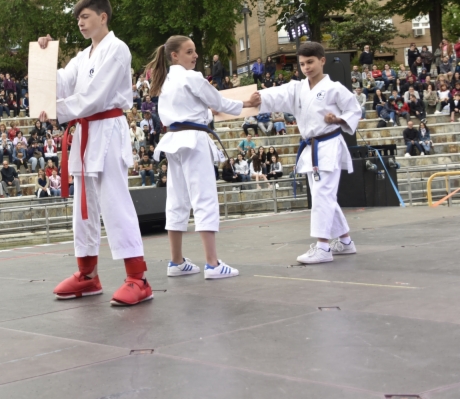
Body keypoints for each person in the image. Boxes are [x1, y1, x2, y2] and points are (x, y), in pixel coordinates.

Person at [36, 0, 151, 306]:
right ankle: (87, 274)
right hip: (85, 132)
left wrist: (56, 109)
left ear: (103, 17)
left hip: (108, 129)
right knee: (82, 206)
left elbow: (97, 96)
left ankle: (137, 277)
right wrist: (44, 58)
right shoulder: (82, 56)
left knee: (115, 203)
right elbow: (60, 82)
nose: (80, 22)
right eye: (78, 18)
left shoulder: (118, 49)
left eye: (85, 16)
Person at [146, 36, 249, 279]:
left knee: (177, 199)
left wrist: (206, 110)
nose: (195, 56)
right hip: (193, 141)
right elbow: (219, 101)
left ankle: (176, 261)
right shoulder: (191, 77)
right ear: (175, 55)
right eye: (189, 52)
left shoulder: (165, 80)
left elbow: (191, 108)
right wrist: (246, 102)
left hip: (174, 142)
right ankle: (212, 264)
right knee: (204, 197)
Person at [250, 41, 362, 264]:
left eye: (310, 62)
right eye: (302, 64)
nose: (306, 67)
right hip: (311, 147)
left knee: (322, 195)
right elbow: (276, 95)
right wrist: (258, 97)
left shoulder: (334, 88)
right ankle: (346, 242)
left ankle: (322, 247)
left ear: (322, 60)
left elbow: (354, 110)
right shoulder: (298, 88)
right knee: (324, 195)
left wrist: (338, 119)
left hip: (328, 145)